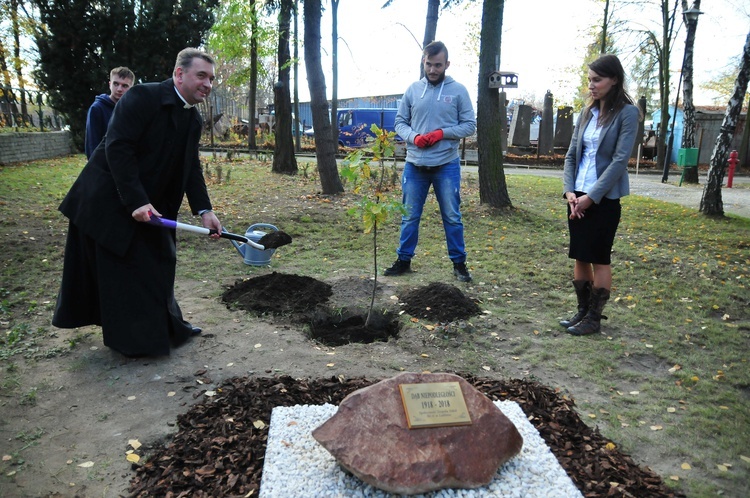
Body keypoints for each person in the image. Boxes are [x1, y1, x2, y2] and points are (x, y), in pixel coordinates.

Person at [52, 48, 221, 357]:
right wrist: (136, 200)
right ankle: (134, 342)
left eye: (211, 78)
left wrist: (204, 210)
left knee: (159, 262)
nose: (208, 84)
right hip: (109, 200)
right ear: (179, 74)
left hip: (149, 207)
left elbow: (190, 167)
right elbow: (118, 147)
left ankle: (168, 327)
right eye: (201, 76)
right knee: (121, 272)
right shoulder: (142, 97)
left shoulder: (192, 119)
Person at [560, 54, 640, 336]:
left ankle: (594, 318)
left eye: (597, 80)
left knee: (599, 257)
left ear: (614, 79)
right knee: (580, 255)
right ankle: (582, 312)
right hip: (577, 195)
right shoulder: (586, 113)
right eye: (589, 80)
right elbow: (571, 156)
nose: (591, 86)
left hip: (603, 198)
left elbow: (619, 161)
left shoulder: (628, 113)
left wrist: (590, 197)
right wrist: (570, 191)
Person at [384, 41, 476, 282]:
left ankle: (459, 264)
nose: (433, 70)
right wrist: (413, 136)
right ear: (423, 62)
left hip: (446, 164)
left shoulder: (458, 91)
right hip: (415, 165)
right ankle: (403, 260)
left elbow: (469, 125)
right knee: (409, 216)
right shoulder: (413, 90)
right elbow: (400, 122)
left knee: (452, 216)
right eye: (429, 64)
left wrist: (441, 133)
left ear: (447, 64)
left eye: (438, 65)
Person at [84, 66, 135, 159]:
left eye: (124, 86)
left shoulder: (132, 110)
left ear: (131, 88)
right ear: (109, 84)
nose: (119, 89)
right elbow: (92, 144)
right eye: (116, 84)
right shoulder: (97, 109)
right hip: (104, 166)